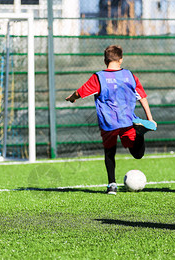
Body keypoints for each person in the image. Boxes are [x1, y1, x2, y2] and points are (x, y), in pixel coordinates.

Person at [65, 45, 157, 195]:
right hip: (128, 121)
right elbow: (142, 96)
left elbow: (79, 92)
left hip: (109, 122)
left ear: (105, 60)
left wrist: (72, 98)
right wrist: (150, 118)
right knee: (138, 154)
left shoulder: (99, 77)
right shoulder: (129, 75)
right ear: (120, 59)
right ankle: (140, 133)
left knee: (109, 152)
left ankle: (112, 185)